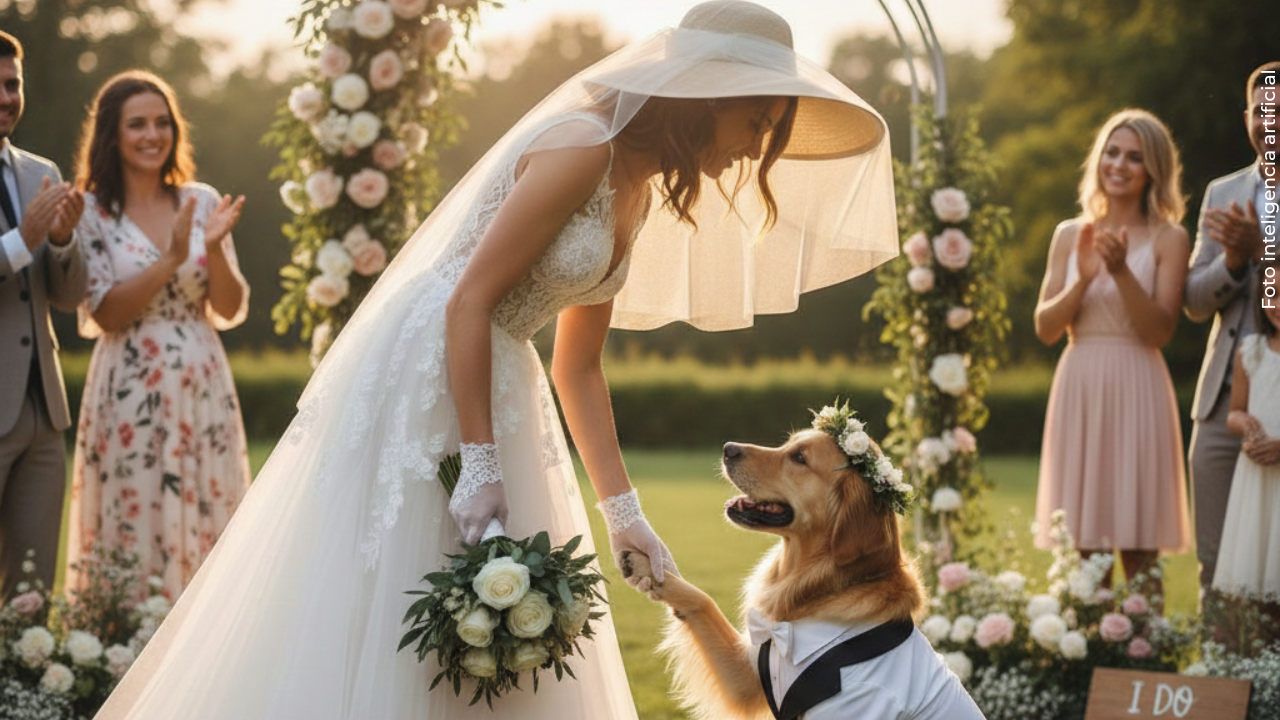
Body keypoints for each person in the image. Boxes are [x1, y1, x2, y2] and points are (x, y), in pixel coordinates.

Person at [92, 1, 898, 718]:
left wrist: (625, 512)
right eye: (756, 123)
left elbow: (578, 363)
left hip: (502, 371)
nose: (755, 148)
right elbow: (470, 299)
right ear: (708, 101)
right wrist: (478, 462)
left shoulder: (641, 186)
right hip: (434, 361)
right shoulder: (583, 146)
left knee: (495, 631)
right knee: (396, 590)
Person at [64, 70, 251, 601]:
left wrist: (212, 249)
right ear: (112, 135)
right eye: (137, 124)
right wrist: (170, 259)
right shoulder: (93, 212)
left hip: (202, 385)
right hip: (129, 389)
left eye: (162, 122)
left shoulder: (199, 198)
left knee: (211, 512)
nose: (152, 135)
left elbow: (230, 306)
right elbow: (106, 314)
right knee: (134, 510)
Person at [1033, 109, 1191, 599]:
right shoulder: (1069, 234)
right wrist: (1084, 277)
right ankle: (1087, 658)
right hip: (1081, 380)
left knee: (1139, 544)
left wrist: (1121, 272)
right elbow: (1045, 328)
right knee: (1084, 542)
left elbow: (1159, 330)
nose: (1119, 164)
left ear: (1154, 170)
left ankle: (1145, 658)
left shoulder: (1171, 238)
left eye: (1135, 157)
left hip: (1138, 382)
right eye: (1112, 152)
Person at [1185, 61, 1278, 594]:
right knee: (1215, 562)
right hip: (1221, 402)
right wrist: (1235, 261)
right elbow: (1196, 302)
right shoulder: (1222, 193)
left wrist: (1261, 251)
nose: (1272, 122)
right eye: (1263, 111)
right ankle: (1218, 675)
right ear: (1247, 119)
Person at [0, 30, 87, 598]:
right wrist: (22, 238)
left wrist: (59, 241)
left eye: (12, 85)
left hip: (44, 409)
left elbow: (69, 295)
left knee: (32, 591)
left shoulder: (41, 172)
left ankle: (26, 688)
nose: (6, 97)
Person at [1213, 260, 1280, 605]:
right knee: (1256, 578)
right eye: (1273, 294)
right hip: (1256, 480)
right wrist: (1246, 424)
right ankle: (1258, 654)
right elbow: (1234, 411)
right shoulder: (1251, 352)